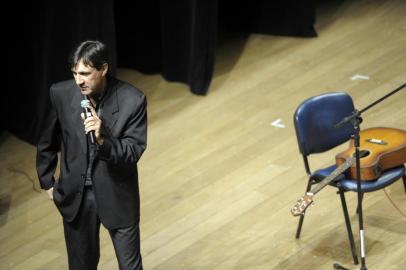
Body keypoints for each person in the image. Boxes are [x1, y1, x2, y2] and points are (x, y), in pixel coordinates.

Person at [36, 40, 147, 270]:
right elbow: (47, 141)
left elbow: (132, 152)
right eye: (75, 73)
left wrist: (102, 139)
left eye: (85, 73)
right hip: (77, 198)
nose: (79, 80)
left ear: (104, 69)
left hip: (117, 194)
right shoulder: (61, 94)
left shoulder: (132, 100)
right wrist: (47, 182)